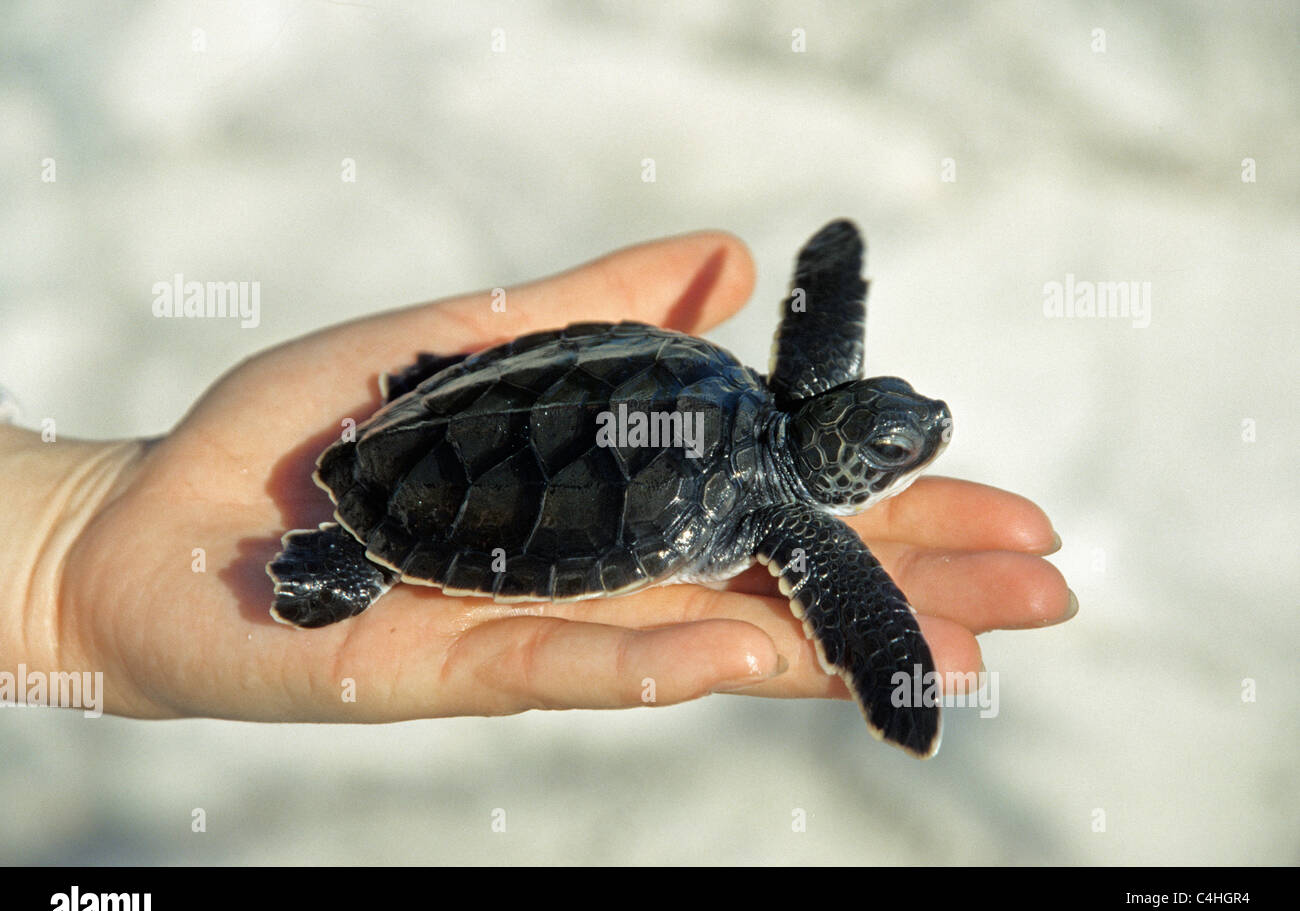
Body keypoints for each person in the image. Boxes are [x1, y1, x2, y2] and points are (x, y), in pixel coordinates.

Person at [0, 229, 1074, 722]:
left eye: (903, 432)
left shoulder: (734, 382)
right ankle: (364, 550)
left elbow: (819, 325)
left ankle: (397, 463)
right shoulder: (791, 516)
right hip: (451, 466)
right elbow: (855, 587)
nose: (924, 431)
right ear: (830, 440)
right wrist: (893, 659)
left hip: (459, 404)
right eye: (894, 442)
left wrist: (63, 544)